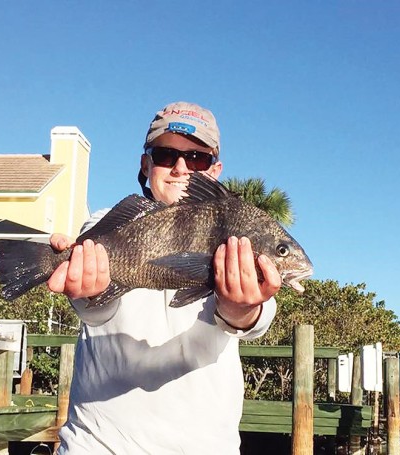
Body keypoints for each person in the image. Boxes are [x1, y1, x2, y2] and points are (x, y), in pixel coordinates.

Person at [49, 102, 282, 454]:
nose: (180, 168)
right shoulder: (106, 222)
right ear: (146, 164)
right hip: (99, 445)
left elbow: (254, 317)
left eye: (197, 159)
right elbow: (95, 310)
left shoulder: (234, 230)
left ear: (215, 169)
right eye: (165, 155)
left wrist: (241, 309)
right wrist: (87, 294)